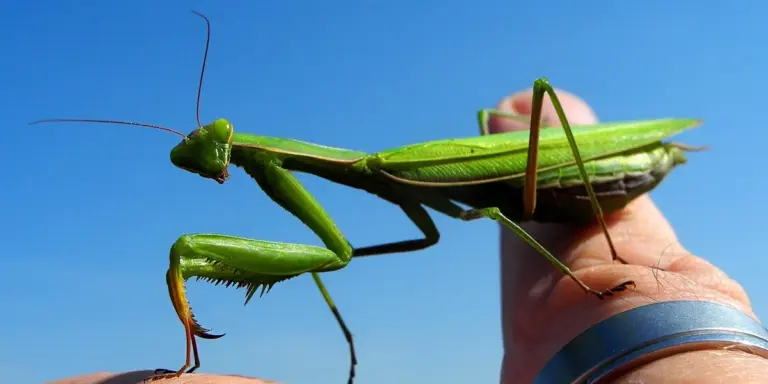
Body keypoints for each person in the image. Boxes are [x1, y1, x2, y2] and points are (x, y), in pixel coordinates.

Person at [52, 89, 768, 384]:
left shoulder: (377, 171)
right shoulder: (352, 178)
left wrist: (593, 290)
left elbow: (333, 250)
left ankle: (591, 266)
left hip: (595, 172)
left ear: (236, 149)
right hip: (546, 194)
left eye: (219, 152)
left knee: (522, 110)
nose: (215, 163)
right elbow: (334, 251)